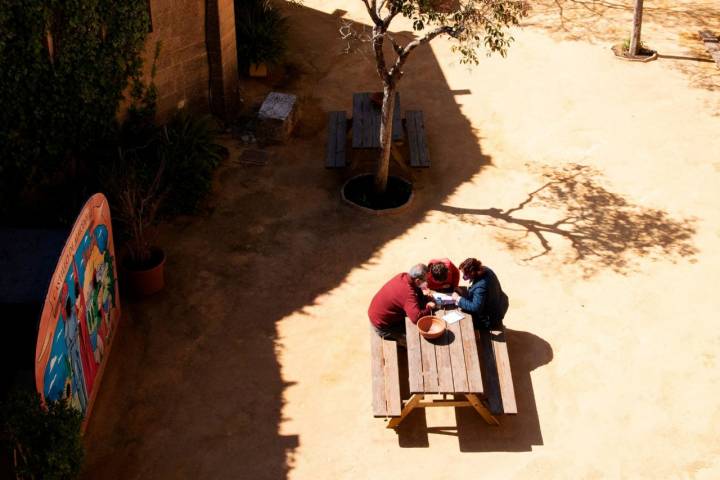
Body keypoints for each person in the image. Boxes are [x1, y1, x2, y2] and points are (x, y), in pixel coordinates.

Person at [368, 264, 436, 344]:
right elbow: (416, 319)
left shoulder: (403, 276)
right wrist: (429, 308)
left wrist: (425, 298)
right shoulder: (407, 294)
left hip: (378, 314)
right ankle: (403, 345)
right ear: (417, 281)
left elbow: (416, 289)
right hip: (383, 326)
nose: (426, 283)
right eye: (425, 280)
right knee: (414, 339)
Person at [452, 258, 509, 330]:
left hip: (491, 318)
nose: (464, 277)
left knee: (462, 321)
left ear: (472, 273)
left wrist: (458, 298)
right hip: (500, 304)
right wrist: (464, 294)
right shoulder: (486, 270)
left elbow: (476, 307)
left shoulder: (480, 286)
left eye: (465, 275)